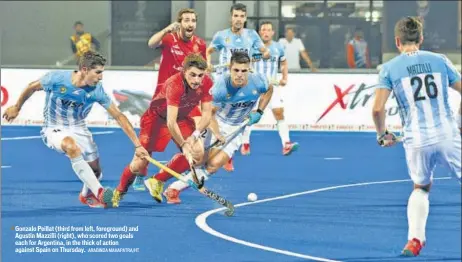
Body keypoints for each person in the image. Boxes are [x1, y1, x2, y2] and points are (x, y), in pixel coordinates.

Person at [2, 51, 149, 208]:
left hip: (79, 128)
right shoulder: (57, 79)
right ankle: (99, 192)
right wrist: (17, 107)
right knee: (70, 146)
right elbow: (32, 87)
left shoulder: (96, 91)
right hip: (53, 128)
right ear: (85, 70)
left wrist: (138, 145)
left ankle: (86, 195)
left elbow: (119, 116)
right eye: (98, 72)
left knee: (96, 172)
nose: (101, 77)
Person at [372, 16, 461, 257]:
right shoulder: (440, 60)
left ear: (397, 41)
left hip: (416, 141)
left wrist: (382, 135)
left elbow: (378, 109)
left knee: (421, 187)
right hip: (447, 134)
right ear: (421, 39)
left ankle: (414, 240)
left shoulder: (389, 68)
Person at [163, 51, 273, 204]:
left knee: (213, 166)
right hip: (217, 124)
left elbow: (269, 90)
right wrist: (217, 133)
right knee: (199, 159)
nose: (240, 75)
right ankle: (163, 175)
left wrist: (259, 111)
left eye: (244, 71)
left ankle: (173, 189)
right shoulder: (221, 88)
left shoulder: (258, 81)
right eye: (236, 70)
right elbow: (209, 114)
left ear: (249, 69)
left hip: (237, 130)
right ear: (230, 68)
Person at [112, 54, 213, 207]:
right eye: (192, 75)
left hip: (181, 118)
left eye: (200, 75)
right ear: (184, 71)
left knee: (197, 154)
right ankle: (119, 191)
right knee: (139, 163)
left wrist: (194, 137)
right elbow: (170, 122)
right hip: (156, 119)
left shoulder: (206, 83)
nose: (197, 80)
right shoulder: (175, 84)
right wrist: (184, 145)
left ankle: (157, 180)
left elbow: (206, 115)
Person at [130, 8, 207, 191]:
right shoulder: (170, 38)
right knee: (149, 145)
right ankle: (140, 174)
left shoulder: (200, 45)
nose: (190, 24)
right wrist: (166, 29)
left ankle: (159, 179)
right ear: (180, 22)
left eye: (193, 20)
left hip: (187, 100)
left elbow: (202, 68)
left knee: (197, 150)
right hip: (164, 100)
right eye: (186, 20)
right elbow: (150, 44)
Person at [206, 2, 269, 171]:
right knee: (216, 116)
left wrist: (258, 54)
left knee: (242, 116)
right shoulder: (221, 35)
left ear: (245, 18)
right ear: (231, 17)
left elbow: (265, 52)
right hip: (225, 83)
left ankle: (228, 153)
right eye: (235, 16)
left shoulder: (252, 35)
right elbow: (209, 51)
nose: (238, 19)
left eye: (241, 16)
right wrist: (208, 64)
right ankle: (213, 147)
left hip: (245, 81)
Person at [241, 21, 298, 156]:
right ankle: (245, 143)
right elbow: (244, 64)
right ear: (260, 33)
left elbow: (283, 62)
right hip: (255, 87)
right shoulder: (252, 48)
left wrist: (284, 77)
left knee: (279, 113)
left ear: (272, 33)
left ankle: (286, 144)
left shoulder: (278, 48)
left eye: (268, 30)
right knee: (251, 115)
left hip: (273, 87)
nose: (266, 32)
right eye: (263, 30)